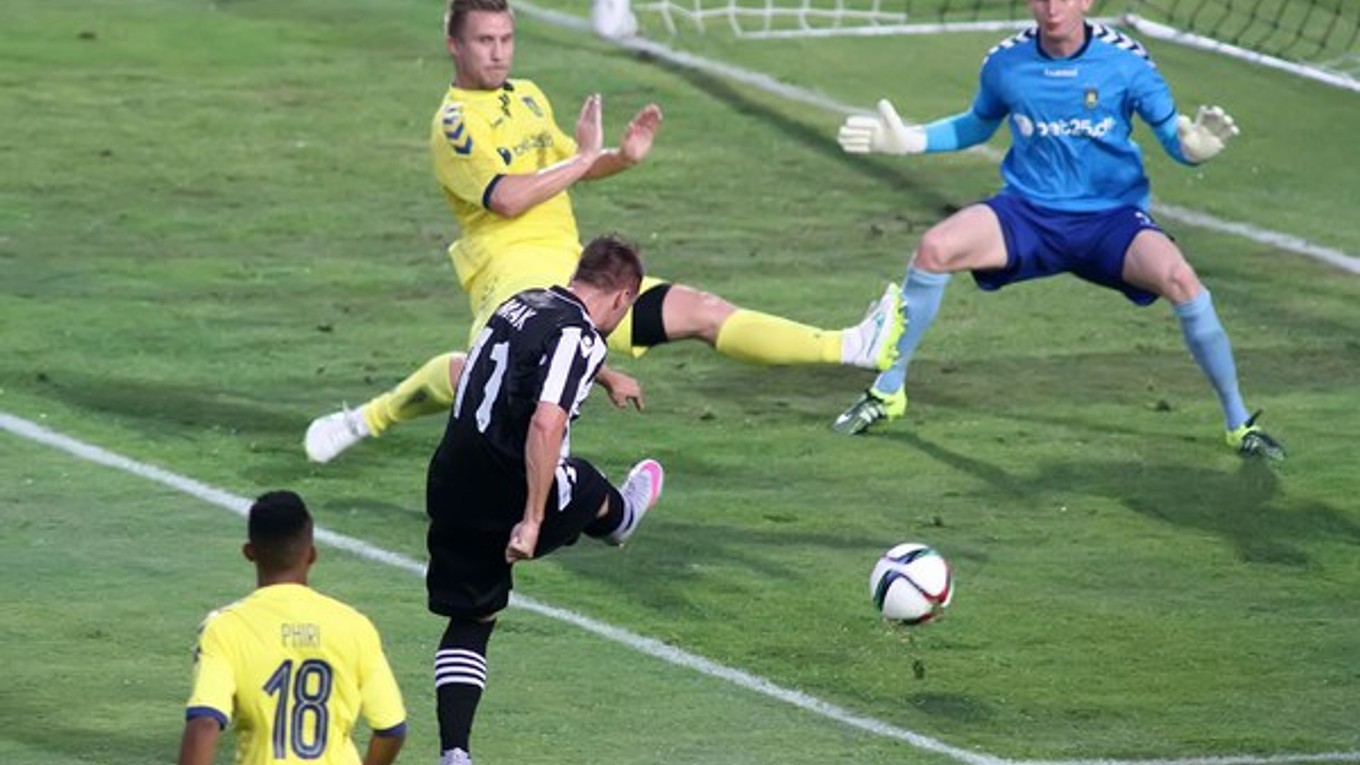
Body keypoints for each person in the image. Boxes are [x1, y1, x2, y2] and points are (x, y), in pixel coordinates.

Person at [303, 0, 904, 464]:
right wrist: (585, 156)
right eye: (485, 41)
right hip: (511, 279)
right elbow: (510, 198)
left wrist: (621, 155)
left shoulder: (529, 98)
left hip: (575, 267)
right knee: (472, 379)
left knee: (702, 310)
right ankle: (368, 420)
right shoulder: (455, 124)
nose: (499, 53)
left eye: (507, 39)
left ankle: (851, 346)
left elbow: (575, 164)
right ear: (453, 45)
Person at [831, 0, 1284, 460]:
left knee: (1182, 281)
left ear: (1086, 1)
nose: (1052, 7)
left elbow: (1175, 138)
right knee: (934, 248)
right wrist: (911, 139)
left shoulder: (1126, 61)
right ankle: (888, 393)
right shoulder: (1005, 62)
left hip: (1110, 221)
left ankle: (1238, 422)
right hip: (1028, 214)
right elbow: (976, 125)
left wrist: (1194, 150)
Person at [424, 234, 665, 765]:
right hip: (509, 491)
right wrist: (532, 520)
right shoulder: (581, 338)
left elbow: (533, 352)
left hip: (449, 481)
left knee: (474, 615)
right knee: (582, 479)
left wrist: (603, 377)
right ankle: (620, 517)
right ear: (624, 298)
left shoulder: (521, 302)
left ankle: (455, 754)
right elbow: (546, 421)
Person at [177, 491, 408, 765]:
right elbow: (391, 729)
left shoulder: (225, 629)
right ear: (311, 554)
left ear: (249, 553)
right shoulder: (355, 626)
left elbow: (204, 722)